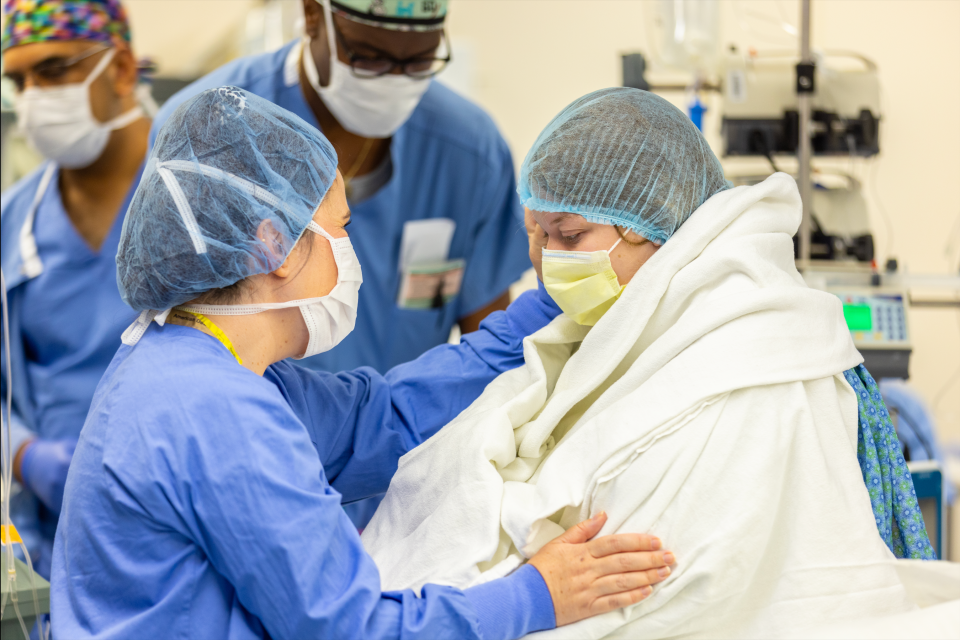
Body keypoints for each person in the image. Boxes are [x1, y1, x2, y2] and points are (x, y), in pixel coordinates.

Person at [51, 87, 676, 640]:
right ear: (274, 245)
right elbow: (349, 628)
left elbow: (386, 416)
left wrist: (556, 299)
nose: (350, 255)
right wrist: (538, 594)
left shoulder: (194, 363)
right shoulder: (219, 415)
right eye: (340, 227)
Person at [361, 88, 941, 638]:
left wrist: (523, 590)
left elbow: (662, 582)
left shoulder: (747, 359)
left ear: (654, 224)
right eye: (534, 234)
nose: (543, 261)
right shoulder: (607, 326)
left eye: (568, 234)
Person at [152, 0, 528, 376]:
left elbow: (488, 346)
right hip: (255, 417)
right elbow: (179, 327)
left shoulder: (469, 150)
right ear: (314, 15)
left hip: (407, 428)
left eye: (419, 62)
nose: (393, 81)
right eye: (369, 57)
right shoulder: (208, 133)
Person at [0, 0, 149, 578]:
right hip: (59, 542)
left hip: (195, 512)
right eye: (18, 79)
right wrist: (23, 453)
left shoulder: (205, 197)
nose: (33, 96)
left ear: (122, 69)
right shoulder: (12, 226)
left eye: (55, 69)